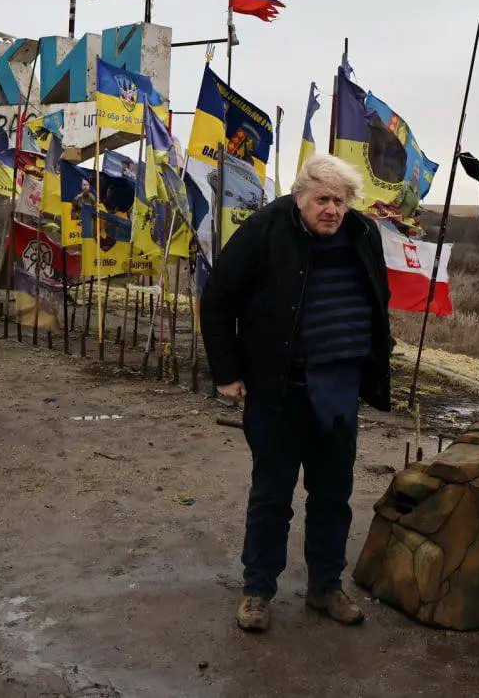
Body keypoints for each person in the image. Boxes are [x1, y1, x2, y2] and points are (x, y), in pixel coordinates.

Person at [201, 153, 392, 634]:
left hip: (339, 391)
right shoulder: (265, 229)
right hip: (280, 389)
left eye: (341, 201)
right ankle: (258, 591)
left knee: (333, 495)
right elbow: (218, 298)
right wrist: (227, 372)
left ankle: (325, 587)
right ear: (300, 196)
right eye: (323, 199)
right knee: (272, 495)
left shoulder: (363, 234)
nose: (333, 209)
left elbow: (378, 297)